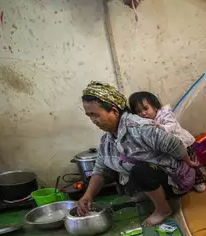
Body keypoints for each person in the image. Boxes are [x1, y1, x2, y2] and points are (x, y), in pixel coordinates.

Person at [78, 81, 195, 226]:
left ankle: (163, 209)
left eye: (95, 115)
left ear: (114, 111)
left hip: (175, 179)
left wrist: (188, 162)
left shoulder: (140, 128)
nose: (93, 121)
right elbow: (100, 168)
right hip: (155, 177)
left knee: (140, 169)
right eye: (89, 116)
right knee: (116, 165)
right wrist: (88, 195)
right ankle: (147, 194)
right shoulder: (107, 139)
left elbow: (175, 144)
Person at [129, 91, 206, 192]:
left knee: (193, 163)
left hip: (185, 144)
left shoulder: (165, 114)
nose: (143, 113)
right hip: (171, 149)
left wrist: (158, 127)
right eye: (139, 112)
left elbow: (172, 127)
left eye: (146, 108)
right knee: (180, 166)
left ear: (155, 107)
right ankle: (184, 180)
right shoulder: (145, 122)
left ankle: (199, 181)